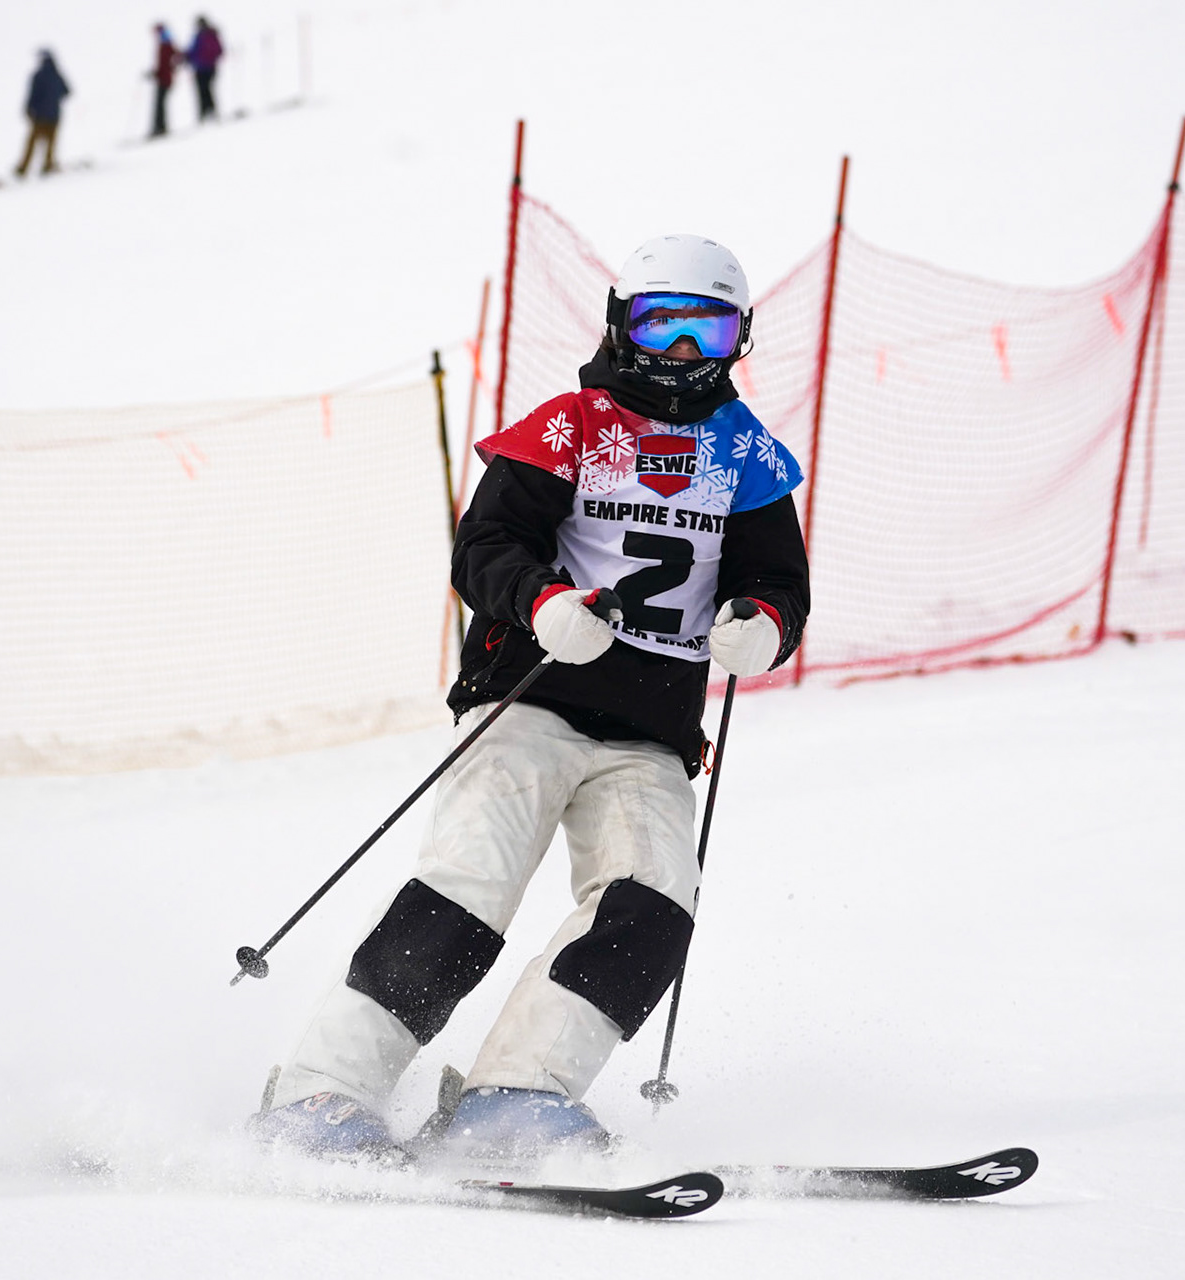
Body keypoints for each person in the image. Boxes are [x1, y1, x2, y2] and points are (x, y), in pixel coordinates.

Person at [258, 235, 811, 1162]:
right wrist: (545, 602)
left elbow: (778, 583)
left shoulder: (747, 457)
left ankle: (517, 1097)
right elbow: (484, 547)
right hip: (531, 699)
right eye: (661, 323)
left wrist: (763, 622)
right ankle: (323, 1093)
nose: (682, 352)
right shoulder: (572, 427)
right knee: (466, 891)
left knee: (653, 904)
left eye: (705, 329)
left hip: (649, 736)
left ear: (739, 339)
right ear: (620, 324)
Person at [17, 50, 71, 178]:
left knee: (32, 143)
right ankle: (48, 165)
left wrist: (28, 109)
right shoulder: (57, 76)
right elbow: (67, 92)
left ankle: (23, 168)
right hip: (54, 115)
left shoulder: (38, 75)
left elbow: (33, 94)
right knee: (51, 143)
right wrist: (54, 99)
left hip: (39, 116)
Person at [187, 16, 225, 122]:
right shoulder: (209, 35)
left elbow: (193, 51)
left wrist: (189, 57)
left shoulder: (203, 36)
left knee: (204, 90)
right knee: (206, 89)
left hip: (203, 67)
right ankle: (208, 112)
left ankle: (207, 112)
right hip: (206, 67)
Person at [148, 24, 180, 138]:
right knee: (160, 104)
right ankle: (160, 126)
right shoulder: (166, 44)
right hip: (164, 78)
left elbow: (164, 65)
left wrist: (156, 73)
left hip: (164, 79)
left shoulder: (165, 45)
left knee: (159, 104)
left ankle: (160, 127)